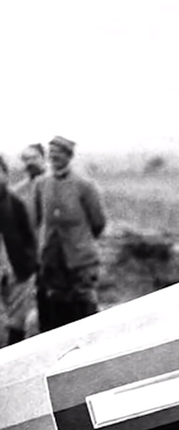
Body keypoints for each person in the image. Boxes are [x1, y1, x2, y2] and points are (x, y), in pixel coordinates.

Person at [35, 136, 107, 331]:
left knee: (84, 308)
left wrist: (81, 241)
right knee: (57, 311)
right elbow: (38, 219)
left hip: (80, 260)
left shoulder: (84, 185)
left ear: (69, 156)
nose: (54, 158)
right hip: (53, 259)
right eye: (51, 154)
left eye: (59, 154)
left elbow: (98, 222)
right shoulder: (42, 184)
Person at [0, 155, 38, 347]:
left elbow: (29, 237)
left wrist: (29, 264)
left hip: (17, 270)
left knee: (17, 321)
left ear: (5, 173)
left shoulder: (15, 203)